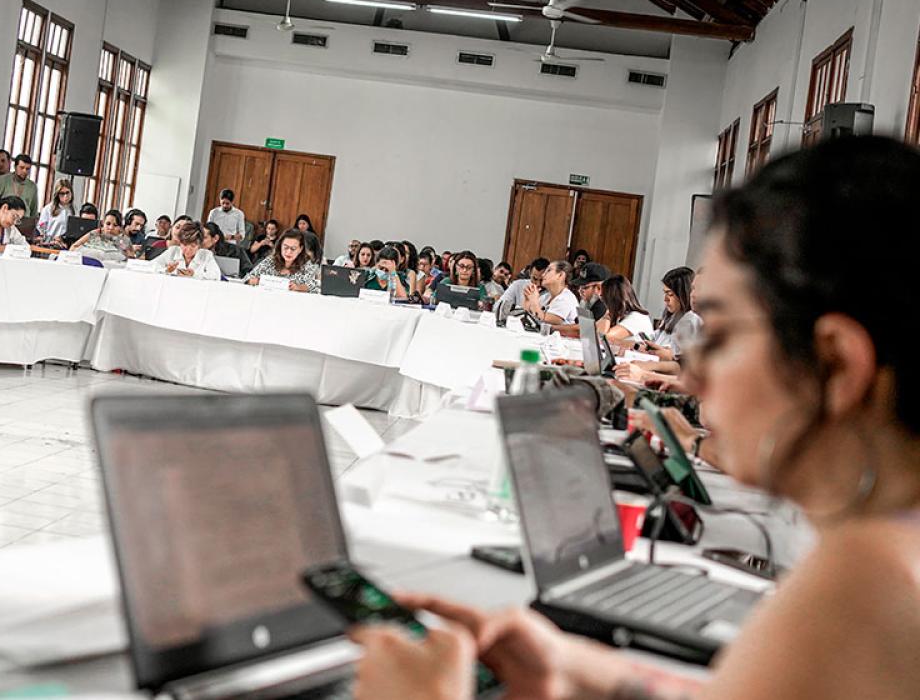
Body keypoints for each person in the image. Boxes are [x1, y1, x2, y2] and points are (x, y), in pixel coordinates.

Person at [353, 135, 920, 700]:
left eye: (718, 333)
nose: (691, 380)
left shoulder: (867, 589)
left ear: (835, 365)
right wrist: (578, 666)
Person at [645, 266, 705, 360]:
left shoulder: (692, 320)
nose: (665, 299)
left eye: (670, 294)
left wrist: (667, 355)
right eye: (665, 293)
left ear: (683, 294)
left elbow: (680, 364)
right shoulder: (671, 317)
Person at [247, 228, 320, 293]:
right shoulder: (270, 260)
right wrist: (253, 280)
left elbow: (317, 287)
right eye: (285, 247)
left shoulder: (307, 265)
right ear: (280, 246)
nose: (288, 252)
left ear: (300, 249)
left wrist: (300, 287)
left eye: (293, 248)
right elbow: (247, 277)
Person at [156, 220, 220, 280]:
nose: (188, 250)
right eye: (185, 245)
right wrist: (166, 270)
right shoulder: (173, 251)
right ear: (180, 243)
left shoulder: (206, 255)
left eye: (193, 246)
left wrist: (194, 274)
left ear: (199, 245)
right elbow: (152, 266)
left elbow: (216, 276)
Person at [601, 274, 654, 341]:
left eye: (604, 299)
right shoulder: (621, 316)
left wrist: (607, 316)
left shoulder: (637, 317)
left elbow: (603, 338)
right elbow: (592, 332)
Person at [523, 259, 577, 324]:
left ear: (560, 275)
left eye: (549, 270)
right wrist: (528, 299)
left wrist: (534, 301)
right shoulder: (546, 297)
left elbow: (547, 322)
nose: (543, 275)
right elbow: (527, 316)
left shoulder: (566, 298)